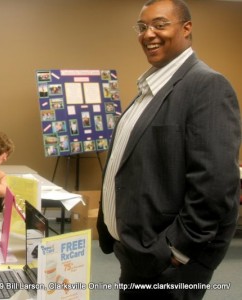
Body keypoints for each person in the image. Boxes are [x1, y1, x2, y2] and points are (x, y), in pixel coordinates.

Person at [97, 1, 241, 299]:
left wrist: (175, 250)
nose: (148, 34)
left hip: (166, 264)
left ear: (186, 28)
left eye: (160, 24)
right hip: (136, 251)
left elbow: (214, 186)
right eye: (142, 27)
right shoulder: (151, 87)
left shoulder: (207, 86)